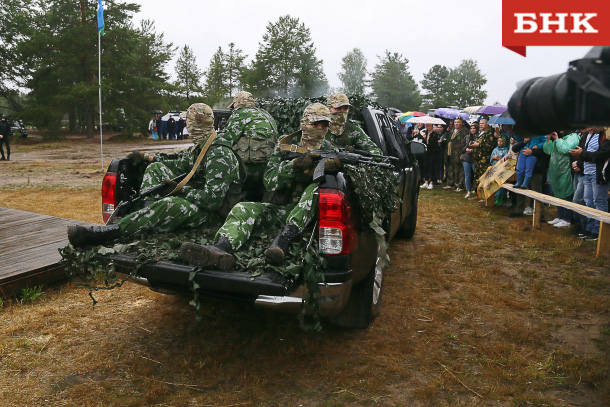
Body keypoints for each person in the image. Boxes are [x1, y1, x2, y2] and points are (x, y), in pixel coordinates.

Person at [180, 103, 336, 269]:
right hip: (281, 211)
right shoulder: (286, 145)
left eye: (324, 125)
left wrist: (334, 167)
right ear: (304, 123)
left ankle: (283, 240)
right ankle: (220, 248)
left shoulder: (330, 149)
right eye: (315, 124)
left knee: (315, 189)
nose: (320, 129)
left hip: (305, 219)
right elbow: (269, 180)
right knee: (243, 208)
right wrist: (292, 165)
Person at [68, 103, 244, 247]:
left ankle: (115, 232)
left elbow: (212, 201)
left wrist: (179, 190)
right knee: (156, 168)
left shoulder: (219, 154)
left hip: (215, 216)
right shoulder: (203, 146)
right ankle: (145, 218)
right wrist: (148, 157)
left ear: (194, 125)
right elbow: (179, 163)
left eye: (188, 122)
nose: (186, 126)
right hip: (201, 201)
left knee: (169, 204)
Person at [222, 91, 278, 199]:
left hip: (249, 169)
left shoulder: (240, 113)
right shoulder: (266, 114)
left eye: (233, 106)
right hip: (268, 167)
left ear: (238, 104)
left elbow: (227, 139)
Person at [569, 127, 610, 241]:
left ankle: (599, 232)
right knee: (589, 202)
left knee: (599, 202)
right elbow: (586, 154)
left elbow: (600, 155)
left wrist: (581, 154)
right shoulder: (589, 136)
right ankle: (590, 229)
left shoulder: (605, 136)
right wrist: (578, 162)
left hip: (599, 175)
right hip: (587, 173)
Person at [543, 131, 580, 228]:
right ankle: (560, 216)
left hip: (566, 170)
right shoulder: (558, 138)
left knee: (566, 194)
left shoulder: (573, 137)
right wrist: (548, 139)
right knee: (558, 193)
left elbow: (565, 149)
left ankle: (566, 219)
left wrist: (557, 139)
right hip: (556, 170)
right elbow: (548, 151)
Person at [470, 117, 496, 192]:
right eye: (480, 123)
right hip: (478, 158)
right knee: (477, 176)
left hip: (484, 159)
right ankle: (478, 192)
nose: (480, 125)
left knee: (483, 177)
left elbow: (490, 146)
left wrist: (479, 145)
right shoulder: (480, 133)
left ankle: (484, 193)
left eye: (482, 124)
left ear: (487, 124)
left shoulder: (490, 133)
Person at [444, 117, 467, 191]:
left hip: (458, 153)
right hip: (450, 152)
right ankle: (450, 183)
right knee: (450, 168)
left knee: (459, 170)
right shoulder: (452, 130)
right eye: (455, 122)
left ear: (461, 123)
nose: (456, 124)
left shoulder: (464, 131)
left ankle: (459, 185)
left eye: (458, 122)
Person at [490, 136, 510, 205]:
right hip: (495, 170)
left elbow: (506, 163)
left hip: (502, 171)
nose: (500, 143)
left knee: (501, 186)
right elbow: (491, 160)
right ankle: (495, 198)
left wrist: (499, 159)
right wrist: (492, 158)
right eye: (498, 141)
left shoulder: (506, 151)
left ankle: (500, 199)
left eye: (501, 141)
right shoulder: (495, 150)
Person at [460, 123, 478, 199]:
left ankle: (477, 191)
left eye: (474, 128)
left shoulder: (478, 137)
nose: (472, 130)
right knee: (467, 175)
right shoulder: (466, 137)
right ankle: (468, 191)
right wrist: (466, 149)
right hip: (466, 158)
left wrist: (472, 150)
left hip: (475, 158)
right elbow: (461, 147)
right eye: (471, 128)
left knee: (476, 174)